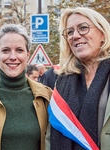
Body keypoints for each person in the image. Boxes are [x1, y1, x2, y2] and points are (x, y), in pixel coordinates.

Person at [0, 24, 52, 150]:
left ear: (28, 55)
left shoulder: (46, 97)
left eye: (19, 50)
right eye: (5, 50)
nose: (12, 57)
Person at [46, 7, 110, 150]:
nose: (75, 36)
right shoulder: (61, 80)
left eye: (83, 28)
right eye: (70, 31)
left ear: (102, 34)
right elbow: (51, 135)